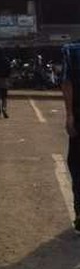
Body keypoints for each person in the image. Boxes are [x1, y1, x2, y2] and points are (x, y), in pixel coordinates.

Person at [60, 42, 80, 232]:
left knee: (77, 165)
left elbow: (67, 83)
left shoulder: (72, 51)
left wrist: (69, 114)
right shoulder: (73, 51)